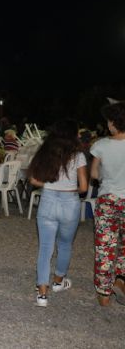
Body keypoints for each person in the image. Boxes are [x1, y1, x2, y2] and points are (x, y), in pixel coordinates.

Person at [28, 119, 88, 307]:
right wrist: (69, 189)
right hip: (70, 204)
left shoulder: (45, 153)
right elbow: (84, 187)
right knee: (65, 244)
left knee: (45, 248)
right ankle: (58, 282)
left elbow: (33, 180)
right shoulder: (78, 156)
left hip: (48, 201)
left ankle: (42, 294)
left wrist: (50, 185)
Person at [90, 102, 125, 306]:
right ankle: (120, 279)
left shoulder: (101, 145)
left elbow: (94, 174)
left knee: (105, 246)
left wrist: (105, 176)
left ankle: (104, 293)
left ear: (113, 123)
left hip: (108, 200)